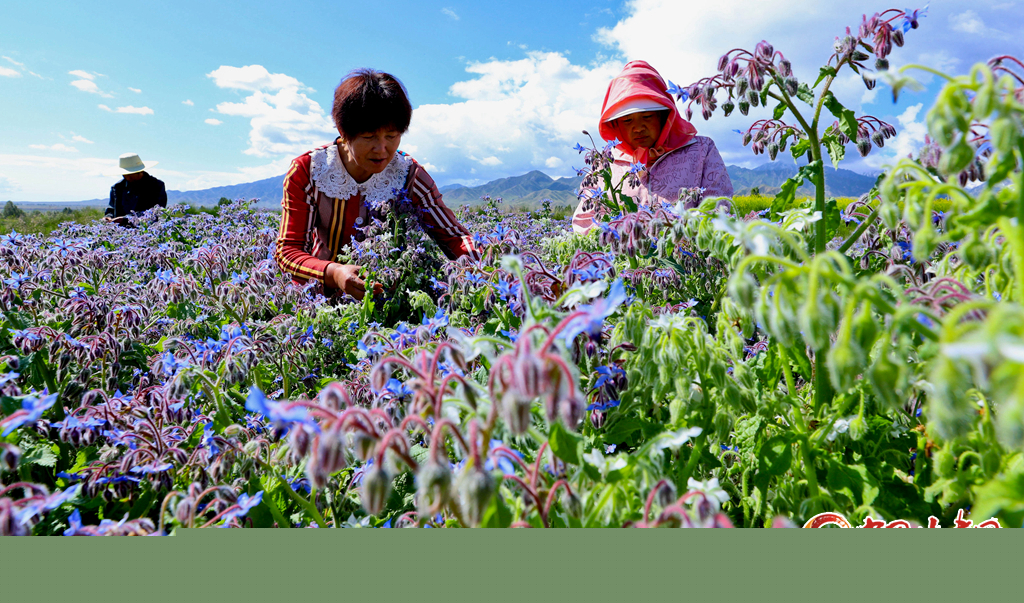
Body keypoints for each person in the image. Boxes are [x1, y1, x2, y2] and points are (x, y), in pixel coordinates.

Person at [274, 69, 479, 300]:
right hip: (318, 301)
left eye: (391, 136)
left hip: (390, 301)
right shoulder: (309, 171)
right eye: (369, 137)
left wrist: (492, 267)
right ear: (343, 132)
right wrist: (334, 273)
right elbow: (288, 251)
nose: (382, 149)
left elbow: (454, 237)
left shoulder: (409, 174)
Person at [572, 60, 733, 234]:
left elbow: (718, 210)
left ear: (664, 116)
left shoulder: (701, 150)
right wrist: (620, 237)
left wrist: (680, 237)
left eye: (647, 116)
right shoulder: (606, 163)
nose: (638, 127)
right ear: (615, 124)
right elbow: (584, 222)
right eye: (627, 120)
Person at [105, 153, 167, 225]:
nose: (127, 177)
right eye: (124, 174)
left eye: (130, 174)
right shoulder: (117, 188)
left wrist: (126, 219)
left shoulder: (156, 186)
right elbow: (111, 209)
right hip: (119, 230)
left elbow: (156, 211)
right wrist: (108, 217)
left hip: (147, 228)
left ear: (140, 171)